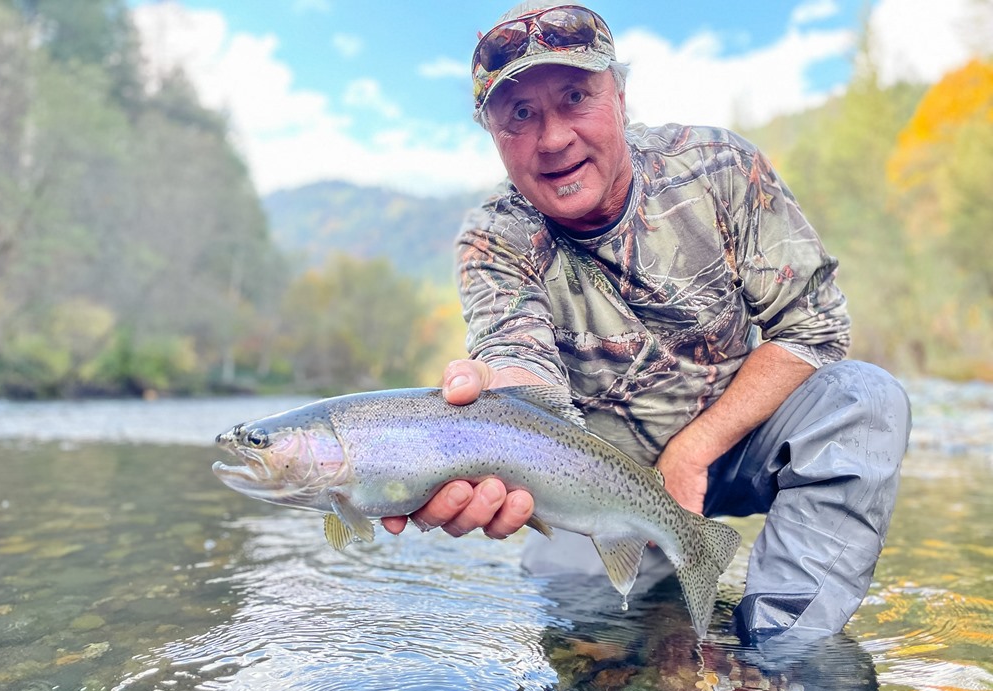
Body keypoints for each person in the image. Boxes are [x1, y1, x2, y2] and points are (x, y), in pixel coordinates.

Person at [382, 1, 912, 643]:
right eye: (519, 114)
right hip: (597, 479)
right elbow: (523, 371)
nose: (552, 138)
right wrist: (490, 412)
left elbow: (813, 330)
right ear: (493, 134)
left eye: (575, 96)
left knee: (866, 399)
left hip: (746, 440)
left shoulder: (718, 169)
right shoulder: (494, 240)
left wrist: (693, 449)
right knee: (586, 630)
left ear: (621, 97)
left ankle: (776, 657)